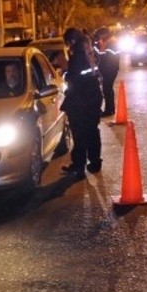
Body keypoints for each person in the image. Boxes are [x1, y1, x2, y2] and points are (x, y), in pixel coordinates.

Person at [60, 27, 104, 178]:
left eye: (67, 43)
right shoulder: (90, 51)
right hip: (93, 98)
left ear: (71, 41)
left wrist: (64, 71)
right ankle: (95, 162)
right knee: (92, 131)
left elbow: (74, 78)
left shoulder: (77, 56)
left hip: (81, 101)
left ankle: (79, 166)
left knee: (79, 134)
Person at [93, 26, 120, 117]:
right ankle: (110, 109)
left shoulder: (112, 43)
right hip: (108, 70)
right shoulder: (109, 42)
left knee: (107, 89)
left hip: (110, 70)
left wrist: (102, 46)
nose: (98, 39)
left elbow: (104, 56)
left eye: (99, 36)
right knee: (107, 89)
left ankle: (109, 110)